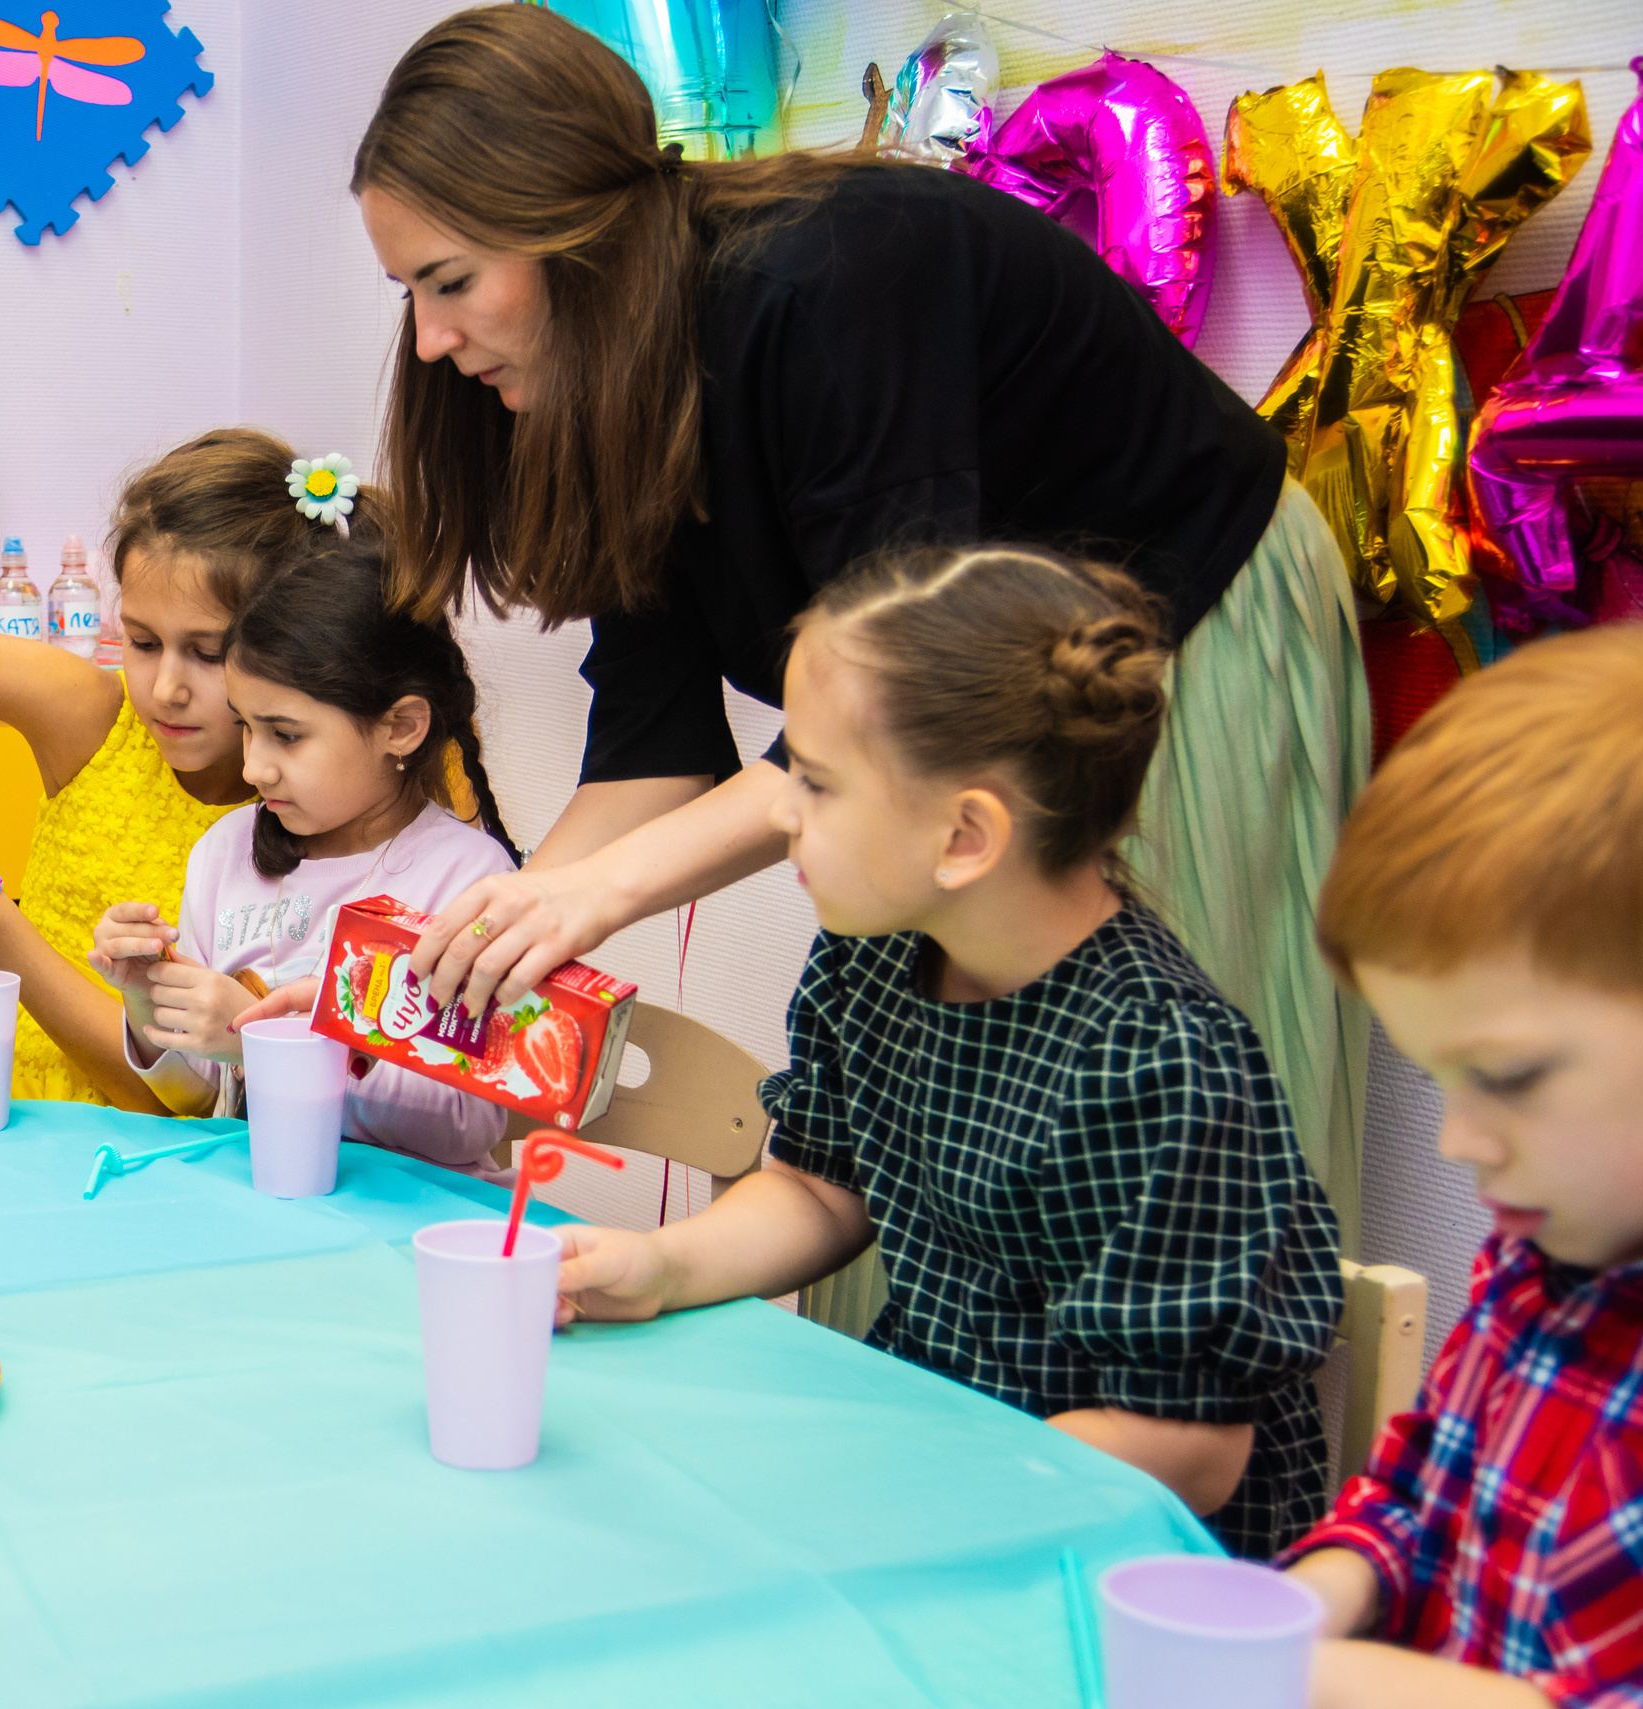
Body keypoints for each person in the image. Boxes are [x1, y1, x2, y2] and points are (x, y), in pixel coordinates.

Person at [335, 4, 1371, 1228]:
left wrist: (591, 899)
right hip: (924, 733)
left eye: (451, 283)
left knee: (1143, 1179)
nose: (434, 340)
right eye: (409, 291)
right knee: (886, 1166)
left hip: (1174, 629)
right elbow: (654, 754)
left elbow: (896, 724)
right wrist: (491, 929)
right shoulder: (613, 389)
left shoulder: (828, 283)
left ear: (583, 228)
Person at [547, 545, 1343, 1558]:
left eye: (818, 784)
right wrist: (659, 1264)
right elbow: (817, 1187)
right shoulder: (871, 950)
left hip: (1110, 1547)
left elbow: (1185, 1449)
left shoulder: (1159, 1058)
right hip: (937, 1464)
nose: (780, 811)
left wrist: (919, 1490)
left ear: (964, 835)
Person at [0, 430, 374, 1113]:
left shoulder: (329, 809)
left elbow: (170, 1095)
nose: (167, 687)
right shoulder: (96, 719)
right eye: (143, 643)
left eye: (208, 653)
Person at [1280, 627, 1643, 1709]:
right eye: (1443, 1077)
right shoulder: (1535, 1254)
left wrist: (1313, 1676)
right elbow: (1411, 1495)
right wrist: (1311, 1600)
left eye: (1512, 1075)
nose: (1458, 1141)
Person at [90, 536, 518, 1167]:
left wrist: (268, 1043)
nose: (254, 767)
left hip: (405, 1220)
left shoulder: (467, 879)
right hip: (264, 1202)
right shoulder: (224, 853)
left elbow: (465, 1123)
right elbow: (200, 1095)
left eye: (286, 736)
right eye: (247, 727)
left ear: (401, 727)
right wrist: (145, 1001)